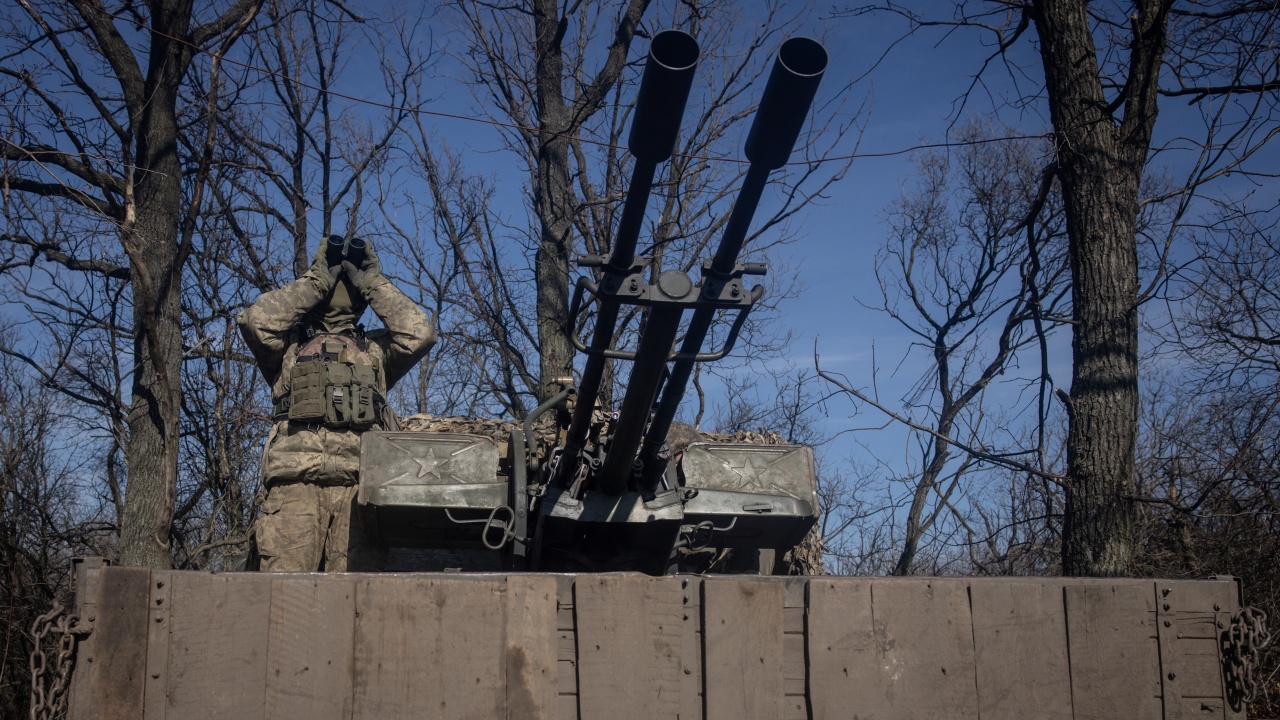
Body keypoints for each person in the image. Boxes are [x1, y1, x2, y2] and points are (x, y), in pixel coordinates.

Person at [238, 236, 436, 571]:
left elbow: (420, 334)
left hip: (359, 491)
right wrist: (316, 281)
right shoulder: (288, 347)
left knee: (355, 604)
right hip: (294, 486)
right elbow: (256, 321)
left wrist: (372, 283)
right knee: (282, 600)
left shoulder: (375, 351)